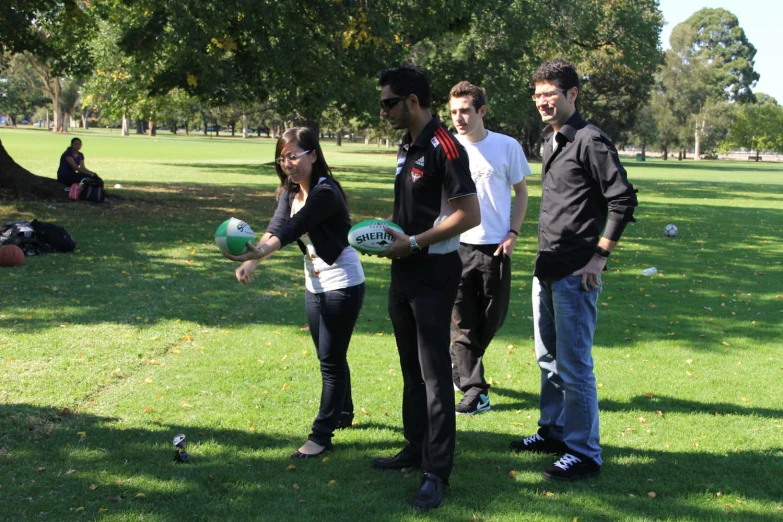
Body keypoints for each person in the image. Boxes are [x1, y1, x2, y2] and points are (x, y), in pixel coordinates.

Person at [509, 60, 638, 481]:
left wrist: (599, 257)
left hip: (575, 274)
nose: (543, 102)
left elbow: (622, 200)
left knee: (575, 364)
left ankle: (584, 454)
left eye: (551, 93)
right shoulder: (551, 141)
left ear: (572, 95)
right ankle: (554, 431)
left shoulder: (590, 140)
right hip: (545, 267)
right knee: (548, 359)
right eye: (538, 94)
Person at [370, 64, 480, 511]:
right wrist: (389, 234)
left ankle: (437, 472)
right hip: (404, 271)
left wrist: (413, 242)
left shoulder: (446, 146)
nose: (383, 112)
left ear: (412, 101)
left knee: (436, 378)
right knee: (411, 370)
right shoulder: (407, 144)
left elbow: (468, 215)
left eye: (388, 103)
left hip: (433, 273)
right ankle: (415, 449)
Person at [224, 127, 365, 460]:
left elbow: (295, 226)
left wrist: (259, 253)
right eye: (282, 157)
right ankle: (343, 412)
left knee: (330, 362)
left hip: (342, 283)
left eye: (294, 156)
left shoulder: (325, 192)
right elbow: (277, 226)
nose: (288, 163)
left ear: (313, 155)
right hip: (314, 284)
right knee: (330, 356)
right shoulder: (289, 191)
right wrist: (254, 261)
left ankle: (321, 435)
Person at [448, 81, 531, 415]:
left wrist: (513, 232)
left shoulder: (506, 146)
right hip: (455, 245)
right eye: (454, 112)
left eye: (465, 110)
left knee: (491, 319)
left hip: (495, 248)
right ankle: (475, 390)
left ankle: (459, 364)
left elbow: (522, 192)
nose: (459, 118)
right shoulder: (447, 148)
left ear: (481, 111)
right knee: (461, 322)